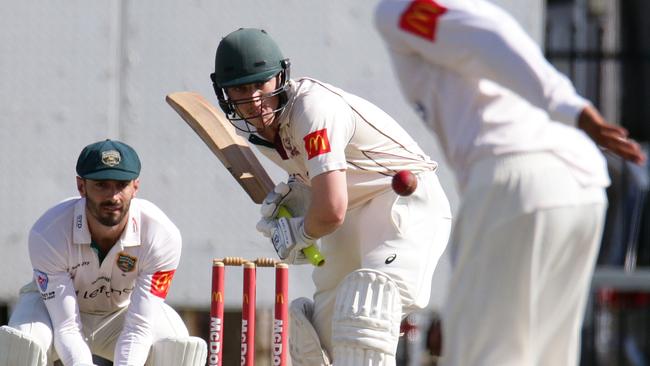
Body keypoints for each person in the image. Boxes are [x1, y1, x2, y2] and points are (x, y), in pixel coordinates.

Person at [374, 1, 647, 365]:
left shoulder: (400, 8)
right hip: (579, 185)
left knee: (482, 355)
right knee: (546, 356)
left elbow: (486, 39)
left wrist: (571, 108)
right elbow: (491, 40)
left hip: (521, 179)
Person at [209, 28, 452, 365]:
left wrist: (302, 231)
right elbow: (327, 187)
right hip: (353, 213)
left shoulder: (313, 109)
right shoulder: (252, 129)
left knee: (366, 311)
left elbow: (331, 209)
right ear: (225, 94)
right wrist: (297, 199)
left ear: (279, 77)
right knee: (323, 339)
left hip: (400, 201)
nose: (253, 101)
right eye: (240, 89)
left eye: (259, 85)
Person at [0, 139, 206, 366]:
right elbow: (66, 326)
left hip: (122, 314)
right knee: (24, 345)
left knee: (179, 348)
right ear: (81, 186)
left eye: (121, 184)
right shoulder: (49, 232)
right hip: (51, 313)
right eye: (101, 184)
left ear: (135, 186)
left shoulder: (161, 235)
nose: (113, 196)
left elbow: (138, 328)